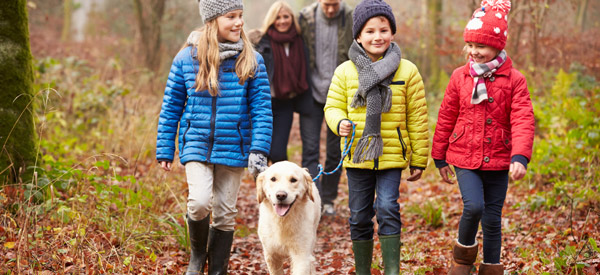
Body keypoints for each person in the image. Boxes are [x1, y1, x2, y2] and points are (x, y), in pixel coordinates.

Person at [155, 0, 272, 274]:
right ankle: (198, 255)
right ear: (212, 21)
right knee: (198, 203)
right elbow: (171, 105)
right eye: (231, 16)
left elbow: (262, 109)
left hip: (235, 145)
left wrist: (259, 150)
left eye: (241, 16)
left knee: (225, 211)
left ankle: (218, 268)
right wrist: (164, 148)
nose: (239, 22)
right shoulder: (187, 58)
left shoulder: (251, 59)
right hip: (196, 142)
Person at [324, 0, 429, 273]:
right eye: (370, 31)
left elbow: (417, 116)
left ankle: (392, 269)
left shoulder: (407, 70)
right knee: (359, 215)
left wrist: (419, 158)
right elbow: (332, 106)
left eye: (383, 30)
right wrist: (340, 122)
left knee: (387, 209)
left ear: (392, 32)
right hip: (358, 154)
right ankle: (363, 269)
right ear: (358, 35)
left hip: (392, 155)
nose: (377, 36)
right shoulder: (345, 71)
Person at [431, 1, 535, 274]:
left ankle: (490, 267)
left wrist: (520, 156)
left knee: (492, 219)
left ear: (498, 46)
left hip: (499, 159)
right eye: (471, 46)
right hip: (465, 157)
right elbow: (446, 115)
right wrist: (439, 157)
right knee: (474, 206)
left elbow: (523, 118)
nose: (474, 52)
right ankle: (463, 258)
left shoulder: (515, 80)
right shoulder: (459, 77)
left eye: (481, 47)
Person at [298, 0, 354, 216]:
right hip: (311, 94)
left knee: (335, 150)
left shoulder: (349, 16)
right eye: (327, 5)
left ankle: (328, 199)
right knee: (310, 149)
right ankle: (312, 198)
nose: (331, 9)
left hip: (340, 95)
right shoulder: (305, 18)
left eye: (335, 4)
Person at [254, 1, 314, 171]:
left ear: (292, 18)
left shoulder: (299, 41)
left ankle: (284, 183)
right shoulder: (262, 41)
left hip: (284, 103)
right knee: (263, 152)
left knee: (278, 152)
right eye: (278, 17)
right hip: (263, 103)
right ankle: (267, 190)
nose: (282, 21)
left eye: (286, 16)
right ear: (272, 19)